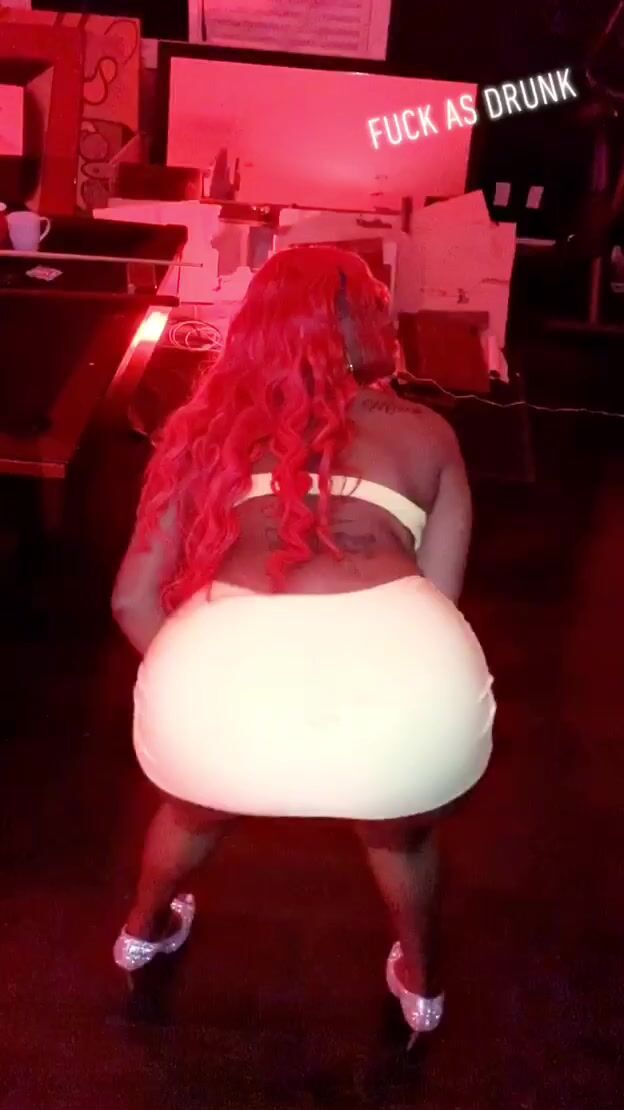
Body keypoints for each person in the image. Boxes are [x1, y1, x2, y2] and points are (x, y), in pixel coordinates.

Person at [111, 245, 496, 1047]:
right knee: (398, 827)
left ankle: (143, 932)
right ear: (362, 327)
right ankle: (423, 984)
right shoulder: (428, 432)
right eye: (380, 306)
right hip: (398, 677)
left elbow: (131, 599)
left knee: (192, 802)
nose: (390, 317)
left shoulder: (206, 426)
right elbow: (438, 598)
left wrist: (199, 680)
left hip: (224, 669)